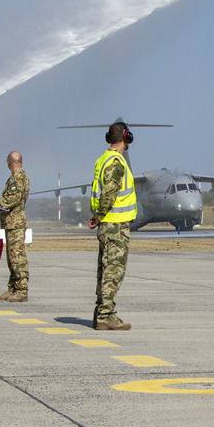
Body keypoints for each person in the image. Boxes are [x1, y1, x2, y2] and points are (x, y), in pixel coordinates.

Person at [89, 122, 137, 330]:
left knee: (105, 269)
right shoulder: (116, 162)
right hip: (115, 226)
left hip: (109, 223)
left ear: (108, 138)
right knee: (113, 271)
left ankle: (101, 313)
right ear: (127, 137)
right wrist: (100, 215)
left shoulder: (103, 159)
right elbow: (109, 193)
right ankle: (106, 315)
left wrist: (98, 216)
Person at [0, 151, 30, 302]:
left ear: (8, 162)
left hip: (16, 223)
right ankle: (13, 288)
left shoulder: (18, 177)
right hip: (12, 223)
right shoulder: (17, 177)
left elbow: (12, 199)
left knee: (17, 257)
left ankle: (21, 290)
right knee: (12, 258)